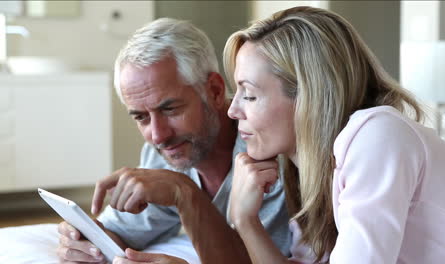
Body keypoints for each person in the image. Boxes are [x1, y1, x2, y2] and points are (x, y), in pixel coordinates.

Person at [225, 6, 445, 264]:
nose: (233, 110)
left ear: (309, 97)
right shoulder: (313, 169)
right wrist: (245, 221)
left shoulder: (378, 136)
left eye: (249, 95)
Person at [56, 18, 291, 264]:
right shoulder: (163, 154)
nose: (158, 136)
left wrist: (184, 193)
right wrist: (86, 241)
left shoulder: (271, 150)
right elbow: (123, 234)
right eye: (141, 117)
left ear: (215, 91)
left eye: (170, 110)